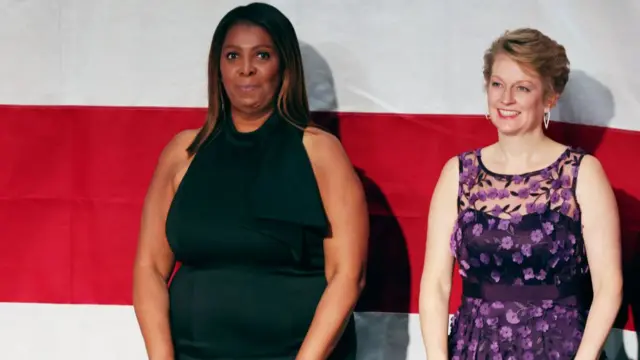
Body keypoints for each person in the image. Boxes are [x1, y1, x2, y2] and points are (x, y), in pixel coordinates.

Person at [131, 3, 368, 359]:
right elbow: (149, 268)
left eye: (261, 55)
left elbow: (347, 276)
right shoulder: (183, 153)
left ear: (284, 65)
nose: (245, 69)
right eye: (232, 56)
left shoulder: (320, 152)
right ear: (218, 68)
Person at [419, 28, 622, 359]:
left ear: (550, 96)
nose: (506, 98)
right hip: (474, 350)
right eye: (497, 84)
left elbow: (609, 287)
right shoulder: (458, 173)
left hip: (561, 350)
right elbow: (436, 286)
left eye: (522, 87)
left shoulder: (582, 173)